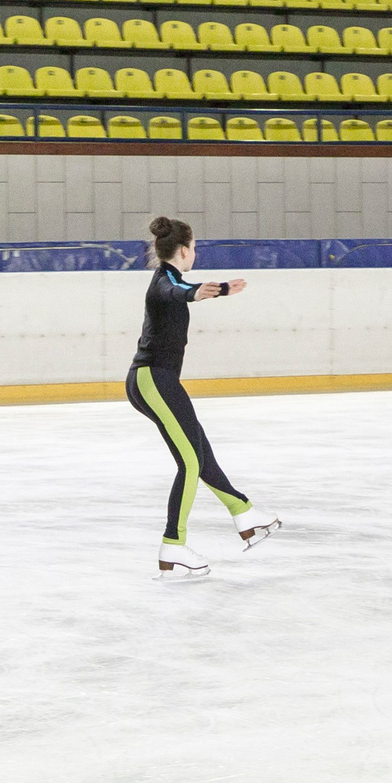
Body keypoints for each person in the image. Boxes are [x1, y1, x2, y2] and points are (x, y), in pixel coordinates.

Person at [128, 216, 280, 579]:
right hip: (153, 380)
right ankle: (173, 547)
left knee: (199, 451)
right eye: (194, 248)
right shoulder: (164, 283)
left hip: (156, 381)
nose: (195, 253)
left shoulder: (172, 278)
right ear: (184, 250)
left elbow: (182, 288)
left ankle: (244, 514)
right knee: (190, 464)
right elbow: (174, 292)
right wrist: (196, 293)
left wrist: (217, 290)